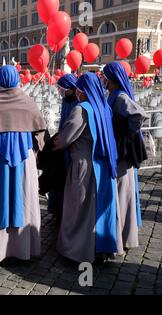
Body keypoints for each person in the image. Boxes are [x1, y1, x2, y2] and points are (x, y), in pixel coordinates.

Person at [0, 65, 47, 262]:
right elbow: (40, 131)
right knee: (24, 197)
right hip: (24, 159)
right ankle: (23, 249)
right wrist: (34, 150)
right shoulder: (28, 100)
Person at [53, 72, 123, 263]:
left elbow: (65, 140)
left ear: (82, 90)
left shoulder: (80, 110)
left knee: (80, 211)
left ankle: (77, 251)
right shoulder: (104, 107)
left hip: (84, 166)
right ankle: (102, 249)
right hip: (104, 165)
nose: (76, 92)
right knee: (99, 212)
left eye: (78, 89)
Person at [103, 62, 148, 250]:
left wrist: (124, 136)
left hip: (123, 155)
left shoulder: (120, 97)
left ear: (112, 79)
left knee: (122, 194)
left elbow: (139, 114)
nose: (103, 80)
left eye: (105, 77)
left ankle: (123, 236)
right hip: (119, 154)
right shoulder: (113, 95)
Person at [40, 74, 79, 225]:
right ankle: (57, 210)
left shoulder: (77, 102)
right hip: (62, 142)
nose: (61, 92)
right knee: (57, 177)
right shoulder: (66, 100)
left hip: (71, 146)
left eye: (63, 89)